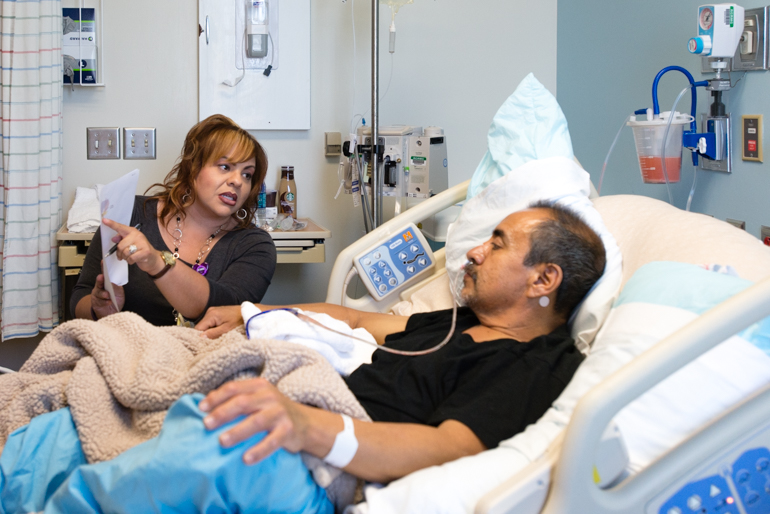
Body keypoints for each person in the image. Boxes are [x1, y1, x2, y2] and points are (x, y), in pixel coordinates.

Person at [7, 201, 605, 513]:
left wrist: (305, 425)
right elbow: (359, 319)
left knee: (206, 451)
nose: (473, 251)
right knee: (73, 425)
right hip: (285, 401)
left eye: (498, 243)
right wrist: (247, 317)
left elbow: (451, 447)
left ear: (543, 278)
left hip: (316, 458)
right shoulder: (452, 323)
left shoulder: (536, 364)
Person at [70, 115, 277, 326]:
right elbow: (80, 298)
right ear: (194, 168)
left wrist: (157, 263)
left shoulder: (255, 245)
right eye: (225, 167)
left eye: (247, 175)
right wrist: (99, 309)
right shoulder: (131, 213)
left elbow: (227, 309)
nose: (237, 181)